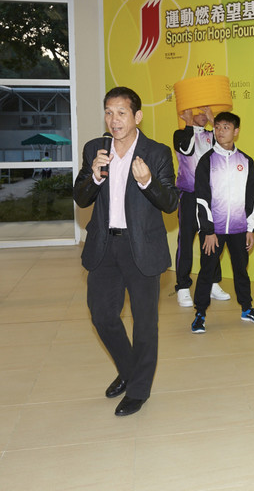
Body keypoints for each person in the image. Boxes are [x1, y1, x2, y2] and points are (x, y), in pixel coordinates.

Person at [73, 86, 179, 417]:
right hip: (104, 246)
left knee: (145, 324)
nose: (114, 120)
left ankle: (138, 390)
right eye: (108, 112)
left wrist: (148, 183)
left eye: (121, 113)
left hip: (141, 248)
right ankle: (130, 370)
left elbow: (171, 202)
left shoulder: (157, 153)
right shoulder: (95, 149)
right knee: (102, 315)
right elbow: (81, 197)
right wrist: (94, 175)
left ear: (137, 116)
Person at [192, 111, 254, 333]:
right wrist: (208, 230)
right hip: (213, 230)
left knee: (241, 269)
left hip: (239, 229)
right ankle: (200, 314)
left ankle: (247, 309)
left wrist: (250, 228)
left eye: (226, 127)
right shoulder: (206, 161)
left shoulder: (246, 161)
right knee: (207, 270)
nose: (220, 131)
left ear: (236, 131)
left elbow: (253, 196)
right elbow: (201, 198)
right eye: (218, 127)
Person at [173, 107, 231, 307]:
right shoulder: (180, 134)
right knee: (186, 241)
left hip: (210, 198)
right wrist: (188, 123)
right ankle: (182, 286)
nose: (202, 116)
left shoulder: (211, 136)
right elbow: (187, 149)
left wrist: (213, 119)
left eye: (205, 112)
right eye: (198, 111)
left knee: (211, 241)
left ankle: (213, 283)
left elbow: (222, 150)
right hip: (188, 196)